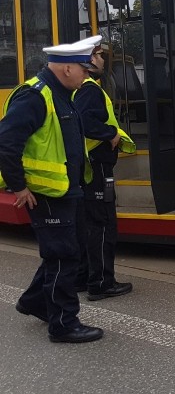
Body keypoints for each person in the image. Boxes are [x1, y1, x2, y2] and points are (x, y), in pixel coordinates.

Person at [0, 39, 104, 343]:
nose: (86, 76)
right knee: (64, 257)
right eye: (84, 70)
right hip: (45, 193)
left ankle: (34, 301)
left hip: (65, 190)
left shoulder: (62, 93)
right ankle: (63, 324)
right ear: (68, 68)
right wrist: (18, 186)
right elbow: (6, 142)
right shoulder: (35, 97)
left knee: (61, 253)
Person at [74, 36, 135, 301]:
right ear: (88, 61)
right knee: (102, 224)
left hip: (90, 166)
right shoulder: (89, 89)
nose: (102, 59)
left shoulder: (80, 89)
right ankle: (101, 283)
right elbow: (85, 123)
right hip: (97, 166)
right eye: (99, 55)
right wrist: (111, 134)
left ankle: (84, 277)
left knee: (89, 224)